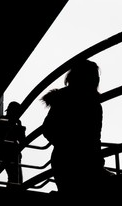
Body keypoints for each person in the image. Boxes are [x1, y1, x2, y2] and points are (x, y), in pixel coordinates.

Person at [41, 60, 111, 197]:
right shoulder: (92, 103)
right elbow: (94, 137)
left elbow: (48, 129)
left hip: (65, 160)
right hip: (83, 161)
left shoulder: (63, 98)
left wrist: (65, 143)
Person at [0, 101, 26, 186]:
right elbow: (22, 141)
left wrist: (20, 128)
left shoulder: (2, 121)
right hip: (7, 153)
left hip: (10, 153)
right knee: (16, 179)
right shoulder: (1, 122)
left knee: (16, 179)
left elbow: (23, 141)